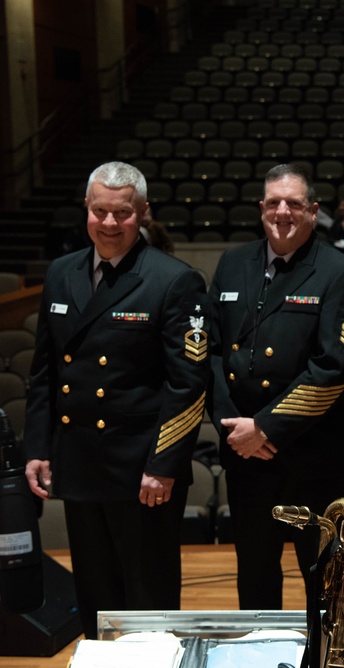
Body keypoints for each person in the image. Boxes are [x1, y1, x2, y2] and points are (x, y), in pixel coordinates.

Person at [23, 161, 209, 638]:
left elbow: (187, 384)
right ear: (86, 209)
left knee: (148, 600)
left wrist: (163, 465)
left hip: (141, 469)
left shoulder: (172, 279)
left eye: (121, 213)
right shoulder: (62, 272)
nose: (109, 223)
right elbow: (45, 371)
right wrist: (39, 449)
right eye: (99, 211)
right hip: (81, 460)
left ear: (142, 213)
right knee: (96, 598)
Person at [207, 163, 344, 609]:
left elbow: (334, 366)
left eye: (294, 203)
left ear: (313, 211)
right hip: (244, 457)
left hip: (310, 458)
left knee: (324, 586)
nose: (282, 211)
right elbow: (211, 353)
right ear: (261, 209)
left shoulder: (337, 270)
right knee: (254, 577)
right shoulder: (234, 263)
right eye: (273, 202)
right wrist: (234, 430)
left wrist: (265, 428)